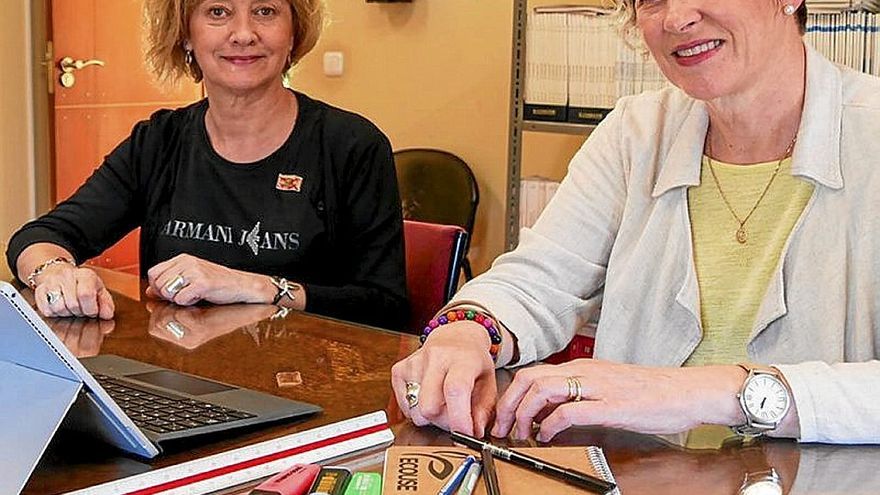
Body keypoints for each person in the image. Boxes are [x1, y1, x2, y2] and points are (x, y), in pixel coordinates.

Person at [392, 0, 880, 444]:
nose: (676, 18)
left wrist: (708, 391)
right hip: (640, 473)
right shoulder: (636, 131)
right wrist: (466, 331)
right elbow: (539, 278)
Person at [6, 0, 408, 330]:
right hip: (183, 386)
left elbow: (385, 308)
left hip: (310, 386)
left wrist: (254, 286)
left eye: (265, 11)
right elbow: (39, 237)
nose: (244, 33)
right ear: (186, 36)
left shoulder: (352, 146)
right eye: (218, 12)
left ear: (293, 35)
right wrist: (54, 271)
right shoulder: (159, 141)